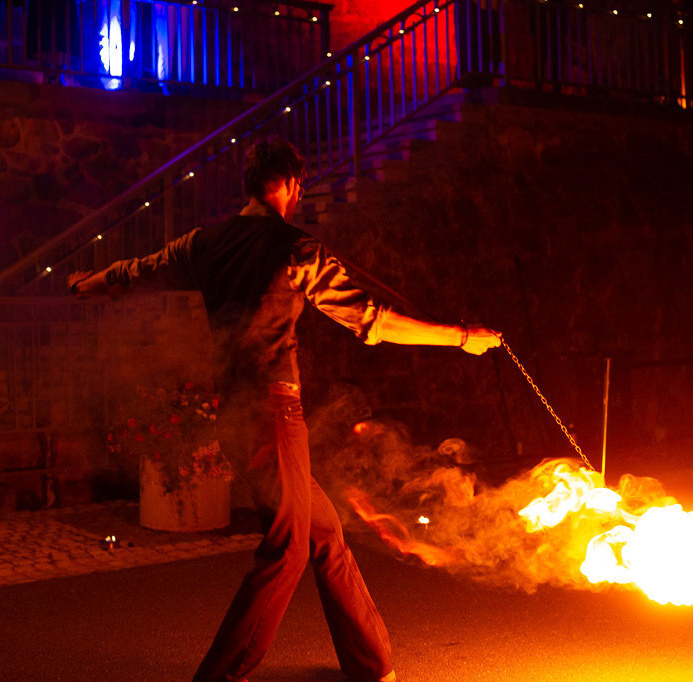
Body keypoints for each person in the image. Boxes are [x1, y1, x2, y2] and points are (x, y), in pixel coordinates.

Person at [68, 138, 502, 682]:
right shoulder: (297, 249)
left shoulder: (207, 240)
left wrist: (89, 282)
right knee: (289, 548)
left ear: (251, 184)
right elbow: (373, 320)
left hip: (236, 415)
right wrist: (461, 337)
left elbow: (140, 270)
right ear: (293, 186)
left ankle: (374, 666)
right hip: (274, 416)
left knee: (324, 534)